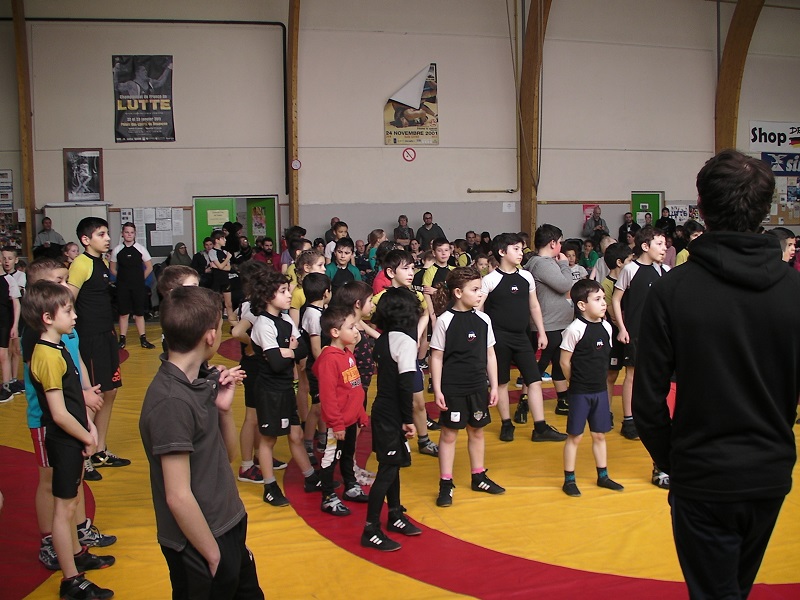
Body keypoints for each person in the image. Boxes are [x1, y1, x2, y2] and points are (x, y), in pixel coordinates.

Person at [633, 149, 800, 599]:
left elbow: (647, 401)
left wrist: (675, 461)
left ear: (701, 208)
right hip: (768, 470)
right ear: (765, 210)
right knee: (732, 589)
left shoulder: (673, 290)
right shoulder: (794, 290)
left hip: (703, 471)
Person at [139, 285, 264, 600]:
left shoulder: (198, 383)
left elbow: (228, 455)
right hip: (199, 540)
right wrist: (214, 556)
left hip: (226, 523)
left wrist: (223, 411)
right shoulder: (171, 402)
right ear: (211, 336)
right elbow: (178, 496)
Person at [24, 280, 116, 600]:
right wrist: (87, 436)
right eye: (68, 311)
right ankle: (71, 580)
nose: (75, 316)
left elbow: (73, 396)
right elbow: (59, 413)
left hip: (72, 437)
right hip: (64, 441)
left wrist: (87, 424)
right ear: (48, 318)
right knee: (63, 511)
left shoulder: (58, 346)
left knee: (72, 502)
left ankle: (77, 556)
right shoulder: (47, 355)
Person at [479, 233, 566, 443]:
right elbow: (479, 310)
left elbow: (534, 305)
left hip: (522, 336)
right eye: (516, 249)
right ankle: (506, 424)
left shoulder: (526, 276)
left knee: (534, 380)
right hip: (499, 338)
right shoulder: (490, 280)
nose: (521, 253)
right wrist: (483, 340)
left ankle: (540, 427)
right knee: (501, 382)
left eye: (521, 249)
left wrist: (542, 332)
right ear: (502, 252)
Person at [430, 266, 504, 507]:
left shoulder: (484, 319)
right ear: (458, 293)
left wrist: (494, 386)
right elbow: (436, 357)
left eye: (480, 289)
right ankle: (445, 483)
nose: (480, 293)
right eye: (475, 289)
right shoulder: (444, 320)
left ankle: (478, 476)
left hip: (478, 386)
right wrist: (438, 389)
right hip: (453, 388)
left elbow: (490, 354)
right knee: (449, 434)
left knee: (477, 431)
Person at [248, 270, 321, 507]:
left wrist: (288, 351)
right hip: (269, 390)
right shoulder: (263, 324)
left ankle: (311, 477)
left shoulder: (286, 319)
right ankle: (269, 487)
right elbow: (277, 364)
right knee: (268, 439)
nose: (289, 295)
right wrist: (292, 351)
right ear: (267, 296)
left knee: (296, 435)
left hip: (285, 387)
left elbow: (303, 350)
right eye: (283, 291)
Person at [363, 287, 424, 551]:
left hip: (382, 409)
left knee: (393, 464)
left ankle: (395, 514)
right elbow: (405, 384)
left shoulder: (384, 339)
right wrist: (407, 419)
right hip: (392, 413)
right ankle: (370, 529)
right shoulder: (406, 342)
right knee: (387, 470)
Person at [68, 217, 129, 476]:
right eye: (101, 234)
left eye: (107, 233)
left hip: (106, 334)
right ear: (86, 240)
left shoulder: (101, 262)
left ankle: (100, 449)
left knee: (110, 391)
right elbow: (68, 300)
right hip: (90, 337)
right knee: (94, 395)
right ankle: (84, 455)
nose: (107, 238)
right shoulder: (81, 264)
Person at [611, 226, 669, 487]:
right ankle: (629, 419)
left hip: (659, 334)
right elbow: (616, 299)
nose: (664, 248)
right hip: (635, 332)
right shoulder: (630, 269)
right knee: (632, 375)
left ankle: (657, 414)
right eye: (660, 244)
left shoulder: (665, 271)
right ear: (645, 246)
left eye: (665, 244)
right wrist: (622, 327)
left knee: (660, 376)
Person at [559, 279, 623, 497]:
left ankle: (603, 476)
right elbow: (564, 362)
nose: (604, 303)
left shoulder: (606, 327)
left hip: (600, 391)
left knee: (599, 435)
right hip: (580, 392)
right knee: (575, 436)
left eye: (603, 298)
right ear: (582, 305)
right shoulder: (574, 330)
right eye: (597, 299)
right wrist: (575, 383)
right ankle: (569, 479)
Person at [373, 249, 439, 457]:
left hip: (409, 355)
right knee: (393, 398)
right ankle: (397, 439)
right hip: (392, 358)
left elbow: (426, 313)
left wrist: (417, 335)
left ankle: (424, 439)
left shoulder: (416, 295)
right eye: (405, 268)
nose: (411, 273)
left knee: (418, 401)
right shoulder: (381, 298)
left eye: (412, 268)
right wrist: (382, 339)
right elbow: (359, 318)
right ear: (391, 272)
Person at [313, 304, 370, 516]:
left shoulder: (347, 354)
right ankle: (328, 497)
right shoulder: (330, 360)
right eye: (351, 327)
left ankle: (350, 485)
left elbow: (355, 389)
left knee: (347, 454)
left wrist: (360, 414)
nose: (356, 331)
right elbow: (328, 397)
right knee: (331, 457)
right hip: (338, 424)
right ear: (335, 332)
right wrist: (336, 424)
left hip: (350, 420)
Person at [524, 225, 574, 421]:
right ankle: (525, 400)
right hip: (548, 324)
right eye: (560, 242)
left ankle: (563, 399)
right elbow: (565, 285)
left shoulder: (542, 262)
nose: (561, 246)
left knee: (558, 362)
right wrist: (565, 265)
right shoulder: (542, 263)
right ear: (553, 243)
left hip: (556, 323)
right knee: (541, 364)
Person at [110, 222, 156, 350]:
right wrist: (121, 278)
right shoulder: (117, 250)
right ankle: (122, 340)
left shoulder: (141, 249)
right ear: (122, 234)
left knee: (139, 313)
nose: (129, 234)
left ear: (135, 234)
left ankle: (143, 339)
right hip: (123, 286)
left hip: (138, 286)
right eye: (127, 232)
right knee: (123, 313)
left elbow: (149, 267)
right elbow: (112, 268)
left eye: (131, 232)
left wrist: (140, 279)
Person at [2, 246, 25, 395]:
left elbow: (16, 294)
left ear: (16, 260)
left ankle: (14, 379)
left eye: (9, 258)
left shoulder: (20, 276)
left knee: (15, 349)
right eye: (4, 258)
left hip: (17, 316)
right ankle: (8, 379)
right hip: (6, 316)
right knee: (6, 350)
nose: (6, 261)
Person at [209, 230, 236, 323]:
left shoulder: (224, 251)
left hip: (225, 280)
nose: (225, 240)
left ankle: (232, 324)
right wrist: (227, 259)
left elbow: (228, 268)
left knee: (229, 304)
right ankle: (218, 325)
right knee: (218, 305)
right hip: (217, 280)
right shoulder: (212, 252)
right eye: (223, 238)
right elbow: (221, 266)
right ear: (217, 240)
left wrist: (217, 266)